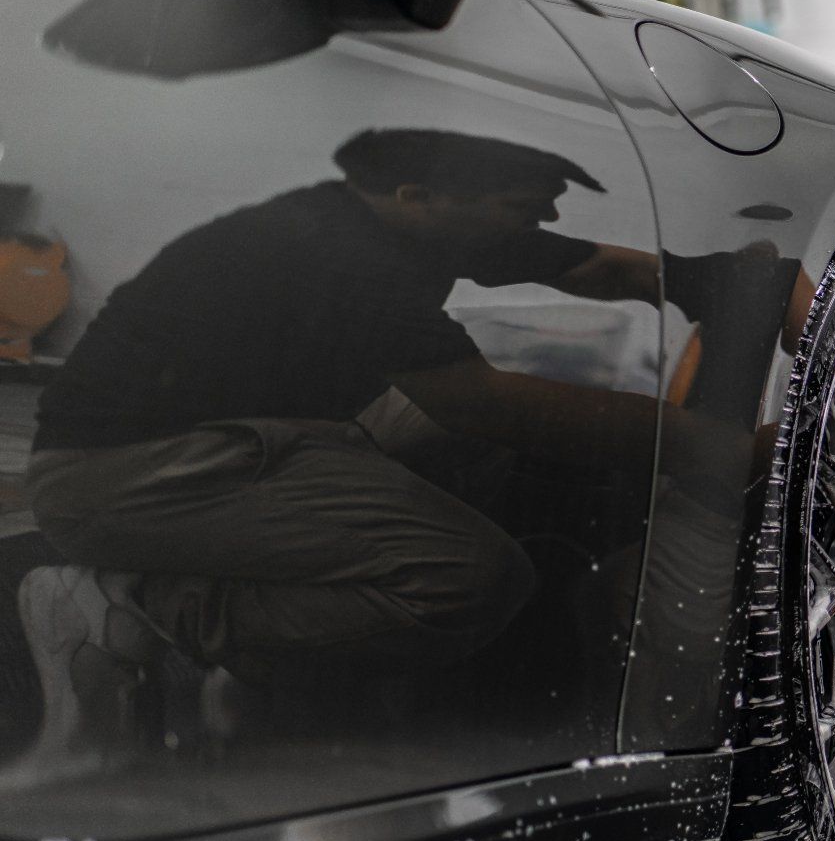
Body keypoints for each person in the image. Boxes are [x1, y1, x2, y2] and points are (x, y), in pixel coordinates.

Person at [18, 129, 666, 756]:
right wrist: (700, 445)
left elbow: (597, 266)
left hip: (244, 436)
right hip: (114, 476)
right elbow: (487, 403)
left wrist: (709, 281)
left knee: (461, 440)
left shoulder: (414, 226)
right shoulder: (343, 254)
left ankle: (292, 646)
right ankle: (135, 607)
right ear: (420, 197)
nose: (544, 222)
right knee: (471, 577)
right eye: (524, 209)